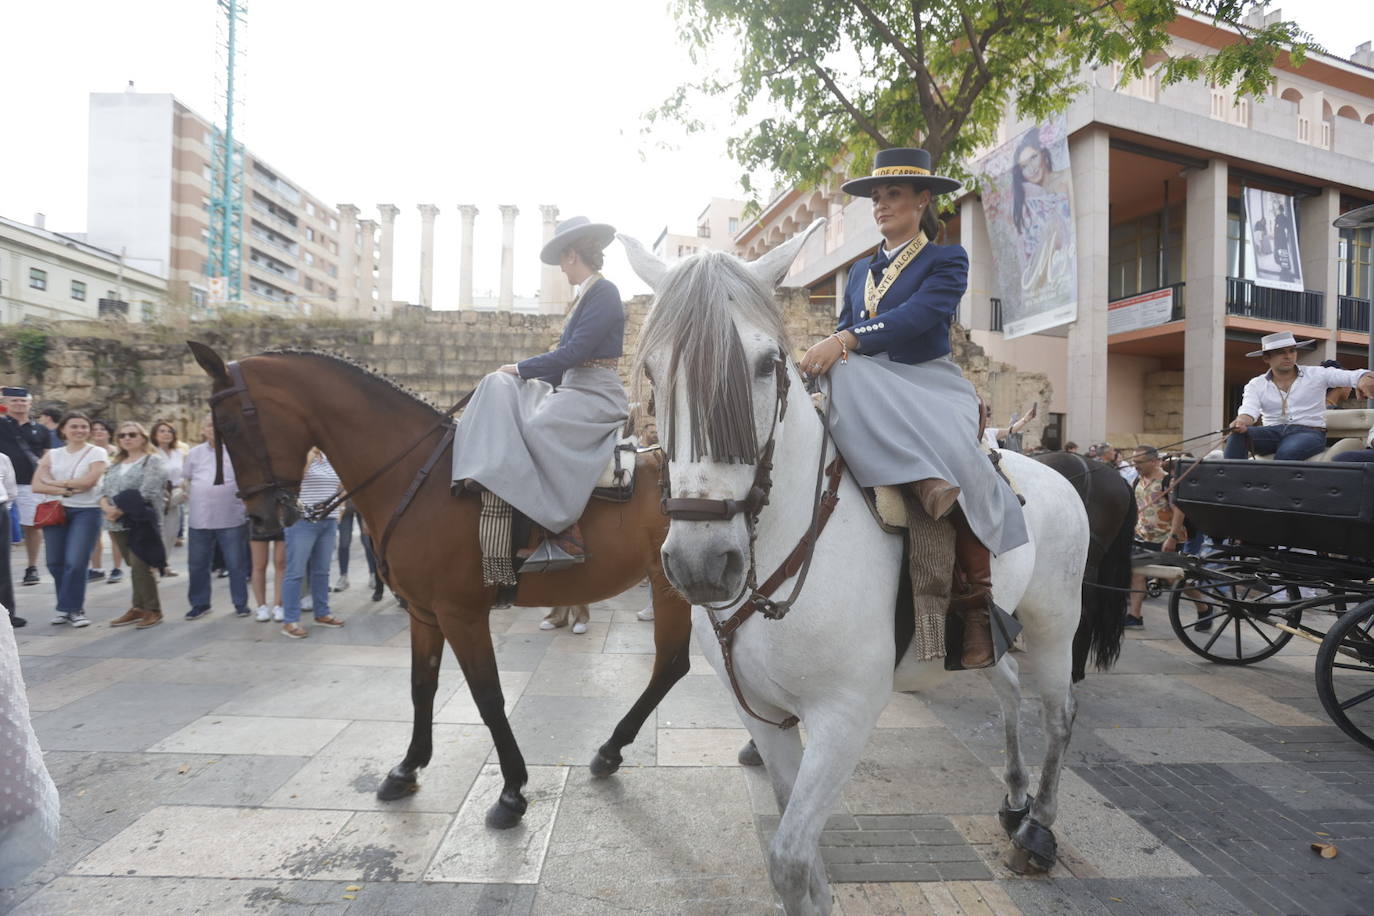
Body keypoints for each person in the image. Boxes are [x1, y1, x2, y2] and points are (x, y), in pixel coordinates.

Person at [802, 147, 1028, 669]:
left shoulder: (946, 259)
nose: (881, 205)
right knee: (839, 376)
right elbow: (844, 328)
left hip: (927, 384)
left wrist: (845, 343)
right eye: (876, 197)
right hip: (863, 383)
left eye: (893, 195)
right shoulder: (859, 271)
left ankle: (975, 605)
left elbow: (922, 316)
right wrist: (838, 345)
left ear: (922, 199)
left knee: (850, 366)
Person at [453, 215, 628, 575]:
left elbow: (576, 353)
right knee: (505, 394)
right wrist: (511, 376)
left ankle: (566, 530)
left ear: (571, 255)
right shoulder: (584, 297)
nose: (561, 271)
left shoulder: (604, 292)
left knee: (536, 429)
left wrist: (519, 368)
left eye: (562, 263)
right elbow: (559, 366)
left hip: (597, 392)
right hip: (573, 386)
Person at [1224, 332, 1374, 460]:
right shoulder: (1256, 384)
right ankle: (1228, 484)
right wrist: (1241, 422)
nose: (1288, 356)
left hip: (1309, 432)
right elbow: (1249, 410)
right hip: (1271, 432)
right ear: (1266, 358)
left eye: (1292, 351)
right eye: (1281, 352)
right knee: (1237, 436)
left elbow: (1351, 376)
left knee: (1287, 452)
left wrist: (1364, 378)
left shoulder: (1316, 374)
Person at [30, 412, 107, 627]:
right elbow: (37, 485)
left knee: (75, 562)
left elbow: (89, 483)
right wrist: (68, 487)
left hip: (87, 511)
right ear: (63, 429)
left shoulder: (97, 452)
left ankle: (73, 609)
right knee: (55, 562)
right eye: (74, 426)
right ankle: (67, 606)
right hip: (57, 511)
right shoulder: (52, 454)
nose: (80, 431)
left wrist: (55, 483)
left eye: (84, 427)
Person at [1125, 446, 1203, 628]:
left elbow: (1179, 511)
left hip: (1165, 539)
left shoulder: (1168, 481)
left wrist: (1173, 537)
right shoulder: (1137, 480)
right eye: (1134, 462)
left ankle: (1204, 607)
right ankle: (1135, 616)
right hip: (1143, 537)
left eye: (1139, 462)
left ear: (1154, 461)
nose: (1135, 465)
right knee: (1137, 574)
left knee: (1173, 578)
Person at [99, 422, 167, 629]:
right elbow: (103, 490)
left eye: (132, 434)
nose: (126, 438)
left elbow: (148, 491)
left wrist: (117, 510)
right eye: (121, 436)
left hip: (140, 521)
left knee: (141, 565)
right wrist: (106, 508)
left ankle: (153, 610)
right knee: (133, 565)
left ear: (143, 437)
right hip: (116, 523)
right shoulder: (116, 463)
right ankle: (138, 607)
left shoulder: (152, 460)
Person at [182, 416, 250, 621]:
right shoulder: (194, 453)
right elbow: (187, 479)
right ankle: (200, 604)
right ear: (202, 430)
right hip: (199, 518)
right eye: (210, 424)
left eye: (219, 424)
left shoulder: (238, 452)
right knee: (197, 564)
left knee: (236, 563)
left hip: (231, 517)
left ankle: (240, 603)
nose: (214, 428)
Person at [279, 448, 345, 638]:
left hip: (328, 521)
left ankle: (322, 613)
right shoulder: (300, 456)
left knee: (322, 570)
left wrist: (341, 506)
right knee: (295, 572)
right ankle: (290, 621)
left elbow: (340, 485)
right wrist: (306, 458)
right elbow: (293, 484)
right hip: (302, 522)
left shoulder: (329, 457)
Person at [0, 388, 50, 586]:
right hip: (4, 485)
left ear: (30, 403)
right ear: (6, 403)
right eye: (14, 401)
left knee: (33, 525)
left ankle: (32, 566)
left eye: (23, 401)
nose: (19, 404)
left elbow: (47, 455)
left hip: (31, 483)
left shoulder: (41, 429)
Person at [86, 419, 124, 585]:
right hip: (92, 496)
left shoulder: (118, 452)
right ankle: (96, 568)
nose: (99, 432)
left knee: (114, 534)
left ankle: (117, 568)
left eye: (102, 429)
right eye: (95, 429)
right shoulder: (87, 452)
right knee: (94, 535)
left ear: (109, 433)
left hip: (112, 496)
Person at [151, 421, 188, 575]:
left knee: (171, 532)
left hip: (177, 494)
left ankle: (164, 563)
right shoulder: (151, 453)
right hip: (158, 495)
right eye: (162, 431)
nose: (166, 434)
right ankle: (154, 565)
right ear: (155, 435)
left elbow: (186, 474)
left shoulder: (180, 453)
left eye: (169, 431)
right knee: (157, 531)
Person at [0, 451, 18, 627]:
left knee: (2, 564)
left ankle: (6, 614)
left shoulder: (2, 458)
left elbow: (11, 490)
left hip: (0, 510)